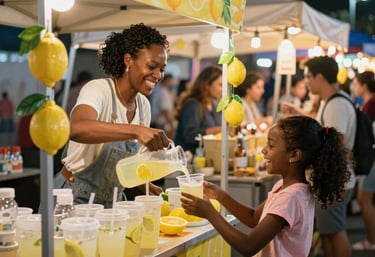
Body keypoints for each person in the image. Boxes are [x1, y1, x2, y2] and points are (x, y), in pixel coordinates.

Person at [181, 115, 351, 256]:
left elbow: (248, 245)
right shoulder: (285, 187)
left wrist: (210, 213)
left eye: (271, 145)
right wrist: (220, 195)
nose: (263, 150)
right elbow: (255, 218)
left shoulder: (290, 198)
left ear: (294, 155)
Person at [53, 23, 171, 208]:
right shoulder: (99, 89)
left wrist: (146, 186)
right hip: (73, 197)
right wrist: (136, 131)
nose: (158, 75)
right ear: (128, 60)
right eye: (152, 66)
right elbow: (76, 128)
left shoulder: (143, 106)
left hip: (113, 201)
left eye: (162, 69)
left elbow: (123, 165)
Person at [282, 56, 356, 257]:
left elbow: (331, 141)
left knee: (335, 231)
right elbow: (323, 130)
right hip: (333, 178)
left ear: (320, 77)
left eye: (308, 76)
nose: (306, 81)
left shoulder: (336, 104)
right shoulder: (331, 102)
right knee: (328, 232)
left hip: (334, 179)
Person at [351, 71, 375, 251]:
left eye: (356, 83)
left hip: (372, 159)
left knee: (364, 198)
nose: (354, 87)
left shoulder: (370, 104)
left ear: (364, 86)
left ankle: (372, 240)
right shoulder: (368, 103)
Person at [174, 66, 222, 154]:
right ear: (207, 85)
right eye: (220, 85)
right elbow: (189, 135)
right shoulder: (193, 104)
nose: (222, 89)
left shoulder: (213, 105)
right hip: (189, 158)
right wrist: (219, 130)